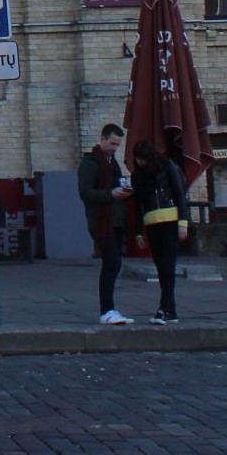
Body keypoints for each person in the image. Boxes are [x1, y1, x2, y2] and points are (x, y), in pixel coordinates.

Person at [77, 123, 134, 324]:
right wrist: (111, 193)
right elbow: (85, 192)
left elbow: (114, 185)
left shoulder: (112, 162)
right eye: (112, 143)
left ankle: (109, 309)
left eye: (118, 144)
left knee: (113, 263)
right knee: (112, 262)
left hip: (115, 219)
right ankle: (107, 310)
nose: (115, 148)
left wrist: (124, 189)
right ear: (102, 139)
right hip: (101, 221)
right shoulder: (90, 163)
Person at [131, 139, 187, 324]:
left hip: (170, 220)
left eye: (142, 158)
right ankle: (170, 310)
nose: (140, 162)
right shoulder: (137, 176)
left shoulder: (166, 166)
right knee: (161, 267)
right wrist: (138, 232)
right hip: (151, 223)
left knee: (167, 266)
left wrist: (183, 222)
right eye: (137, 159)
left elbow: (179, 194)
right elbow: (138, 205)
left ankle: (164, 308)